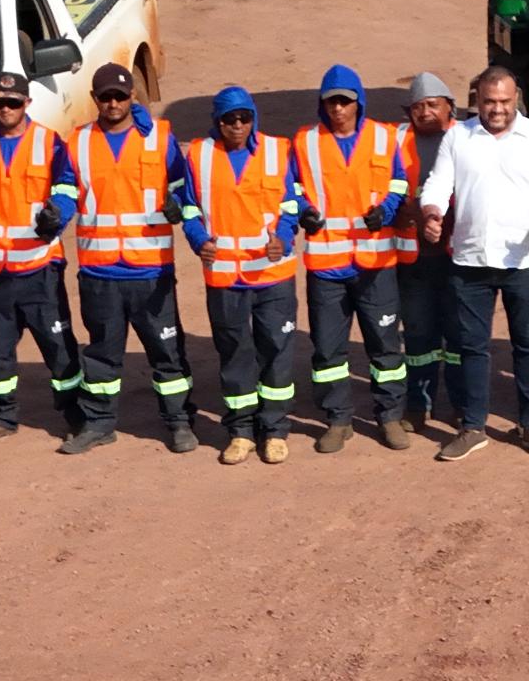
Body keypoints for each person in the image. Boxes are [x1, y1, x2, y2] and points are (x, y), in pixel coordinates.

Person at [420, 64, 529, 463]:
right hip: (471, 260)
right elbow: (439, 182)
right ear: (478, 101)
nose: (498, 109)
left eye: (505, 101)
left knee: (528, 345)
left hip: (523, 261)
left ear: (516, 97)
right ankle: (472, 427)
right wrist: (433, 211)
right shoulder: (458, 137)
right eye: (490, 102)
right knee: (472, 346)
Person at [173, 85, 307, 466]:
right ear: (217, 121)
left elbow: (292, 203)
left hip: (272, 274)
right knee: (234, 354)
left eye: (244, 118)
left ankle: (276, 431)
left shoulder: (278, 151)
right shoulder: (198, 155)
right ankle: (241, 432)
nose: (237, 126)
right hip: (225, 277)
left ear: (254, 118)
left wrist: (283, 236)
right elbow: (189, 208)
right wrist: (198, 239)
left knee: (277, 353)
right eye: (229, 119)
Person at [69, 64, 200, 455]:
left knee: (167, 353)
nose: (113, 103)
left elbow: (182, 187)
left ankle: (179, 423)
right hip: (99, 270)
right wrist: (52, 217)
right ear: (95, 100)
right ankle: (98, 424)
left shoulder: (159, 138)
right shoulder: (76, 143)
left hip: (150, 270)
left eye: (121, 96)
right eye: (106, 97)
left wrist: (180, 207)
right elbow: (62, 190)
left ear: (132, 99)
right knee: (101, 355)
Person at [292, 67, 415, 454]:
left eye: (345, 101)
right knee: (329, 350)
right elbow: (290, 186)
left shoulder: (384, 137)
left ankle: (390, 416)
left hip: (376, 262)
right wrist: (301, 209)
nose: (338, 108)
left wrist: (389, 209)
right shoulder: (304, 141)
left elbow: (398, 180)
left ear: (358, 102)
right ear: (322, 103)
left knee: (385, 346)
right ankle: (337, 419)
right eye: (332, 101)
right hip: (327, 266)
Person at [0, 74, 85, 448]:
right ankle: (0, 417)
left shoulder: (49, 142)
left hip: (37, 266)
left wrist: (57, 215)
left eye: (13, 103)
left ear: (27, 103)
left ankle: (75, 414)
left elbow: (66, 188)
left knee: (57, 345)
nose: (6, 109)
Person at [399, 73, 464, 436]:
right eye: (417, 107)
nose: (424, 112)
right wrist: (402, 209)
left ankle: (460, 404)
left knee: (458, 334)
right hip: (413, 255)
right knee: (419, 333)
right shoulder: (396, 141)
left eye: (432, 104)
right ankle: (418, 404)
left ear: (449, 107)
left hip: (457, 253)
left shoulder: (468, 137)